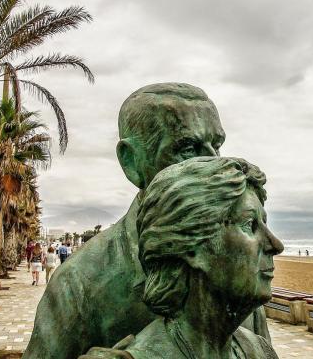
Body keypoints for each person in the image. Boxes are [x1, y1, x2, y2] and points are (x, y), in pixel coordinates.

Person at [25, 83, 269, 359]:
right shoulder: (79, 284)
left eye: (216, 145)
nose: (213, 163)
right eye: (188, 148)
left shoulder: (236, 268)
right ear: (131, 161)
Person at [81, 157, 282, 358]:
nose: (276, 245)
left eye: (265, 223)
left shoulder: (260, 351)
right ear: (192, 247)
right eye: (249, 224)